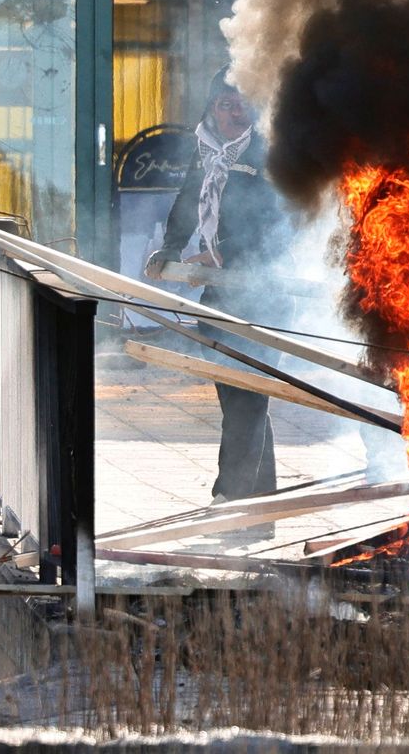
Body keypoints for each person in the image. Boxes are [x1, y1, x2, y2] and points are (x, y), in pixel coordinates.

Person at [145, 69, 288, 502]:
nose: (233, 112)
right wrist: (170, 248)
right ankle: (258, 498)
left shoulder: (269, 151)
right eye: (225, 103)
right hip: (223, 289)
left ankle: (230, 496)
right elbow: (189, 199)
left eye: (242, 103)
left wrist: (221, 253)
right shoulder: (206, 147)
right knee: (239, 394)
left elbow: (277, 220)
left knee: (247, 392)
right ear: (211, 108)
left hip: (264, 289)